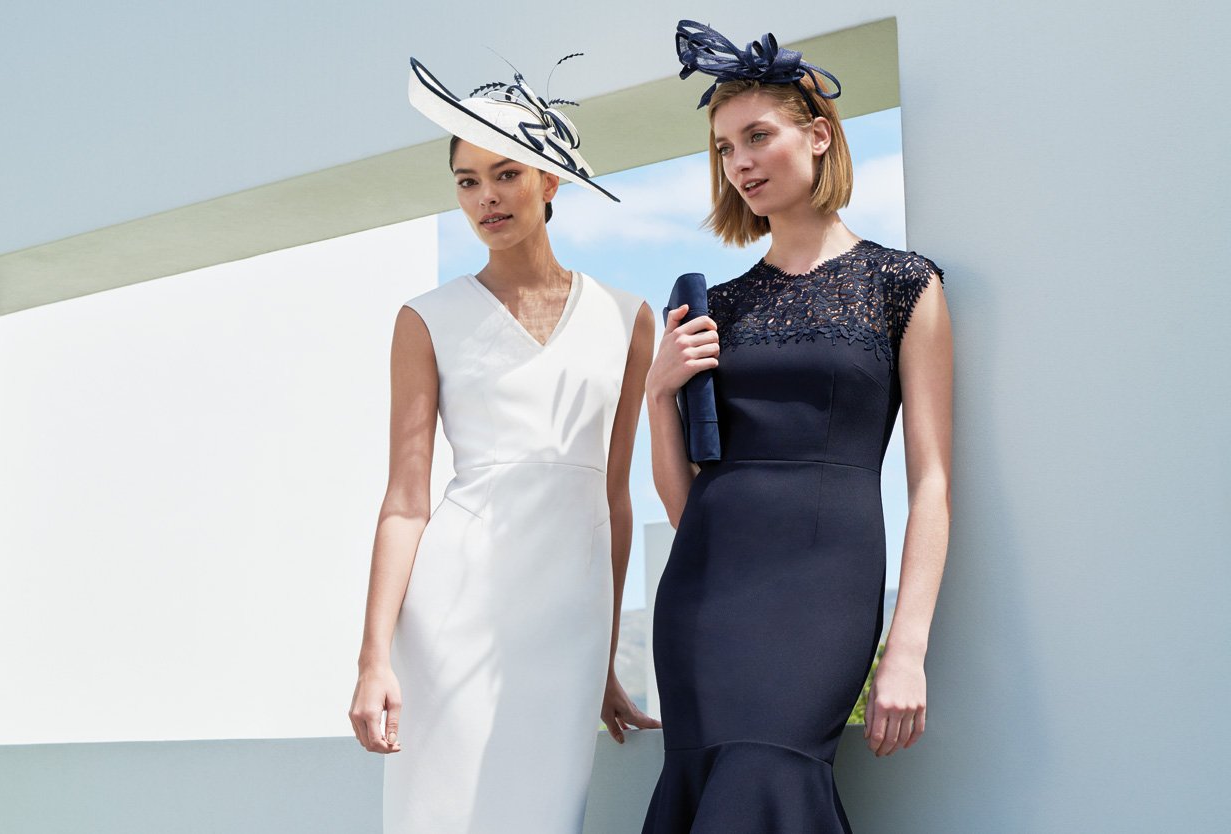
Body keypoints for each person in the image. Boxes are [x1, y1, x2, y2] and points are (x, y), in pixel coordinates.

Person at [641, 21, 953, 832]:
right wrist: (656, 394)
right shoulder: (721, 308)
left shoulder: (902, 285)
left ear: (818, 136)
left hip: (824, 592)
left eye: (756, 136)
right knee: (713, 777)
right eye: (722, 148)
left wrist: (906, 648)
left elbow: (932, 482)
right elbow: (689, 508)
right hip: (706, 595)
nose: (739, 162)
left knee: (765, 771)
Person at [347, 55, 658, 833]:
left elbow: (615, 496)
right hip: (451, 614)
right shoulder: (425, 319)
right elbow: (406, 500)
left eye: (506, 173)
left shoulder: (629, 318)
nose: (485, 197)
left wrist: (609, 658)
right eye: (466, 181)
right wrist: (373, 657)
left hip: (568, 625)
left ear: (551, 182)